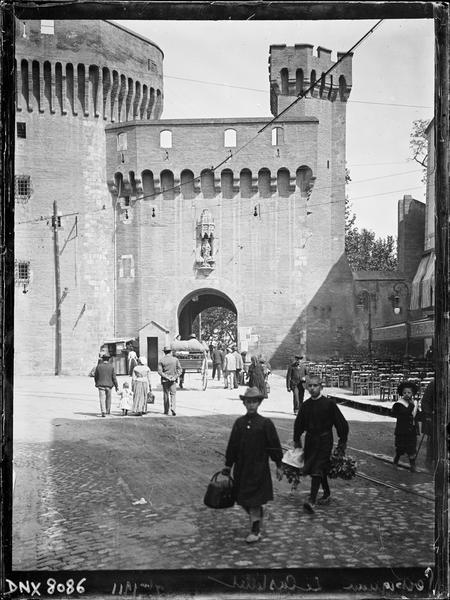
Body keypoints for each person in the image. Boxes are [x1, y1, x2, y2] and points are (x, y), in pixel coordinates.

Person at [222, 387, 284, 543]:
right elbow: (232, 445)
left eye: (254, 402)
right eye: (248, 402)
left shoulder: (265, 423)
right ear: (244, 403)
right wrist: (228, 465)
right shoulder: (239, 423)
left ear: (259, 403)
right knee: (242, 499)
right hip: (242, 469)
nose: (251, 405)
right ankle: (258, 516)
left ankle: (255, 531)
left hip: (258, 468)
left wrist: (279, 464)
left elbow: (274, 445)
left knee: (254, 500)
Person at [293, 375, 349, 514]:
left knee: (317, 467)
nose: (312, 388)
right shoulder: (305, 405)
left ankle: (311, 501)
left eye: (315, 386)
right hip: (311, 440)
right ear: (306, 387)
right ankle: (327, 493)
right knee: (317, 468)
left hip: (325, 440)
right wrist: (297, 440)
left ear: (321, 387)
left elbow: (341, 423)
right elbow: (298, 424)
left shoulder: (329, 404)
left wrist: (342, 443)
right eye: (310, 386)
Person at [392, 381, 420, 472]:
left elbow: (417, 415)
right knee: (400, 448)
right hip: (402, 430)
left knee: (412, 448)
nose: (407, 394)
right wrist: (412, 406)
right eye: (404, 393)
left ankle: (413, 465)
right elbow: (403, 413)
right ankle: (396, 461)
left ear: (412, 393)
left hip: (412, 430)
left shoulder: (414, 403)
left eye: (409, 393)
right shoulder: (399, 404)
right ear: (402, 394)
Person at [158, 345, 182, 416]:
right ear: (170, 352)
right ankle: (173, 408)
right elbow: (180, 370)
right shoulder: (175, 359)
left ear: (164, 352)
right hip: (173, 380)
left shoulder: (161, 360)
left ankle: (166, 410)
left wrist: (166, 377)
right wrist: (175, 377)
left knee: (166, 395)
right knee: (173, 394)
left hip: (165, 380)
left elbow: (160, 371)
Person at [420, 378, 436, 468]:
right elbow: (425, 402)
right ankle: (429, 461)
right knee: (433, 440)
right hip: (435, 417)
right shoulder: (434, 383)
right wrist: (428, 415)